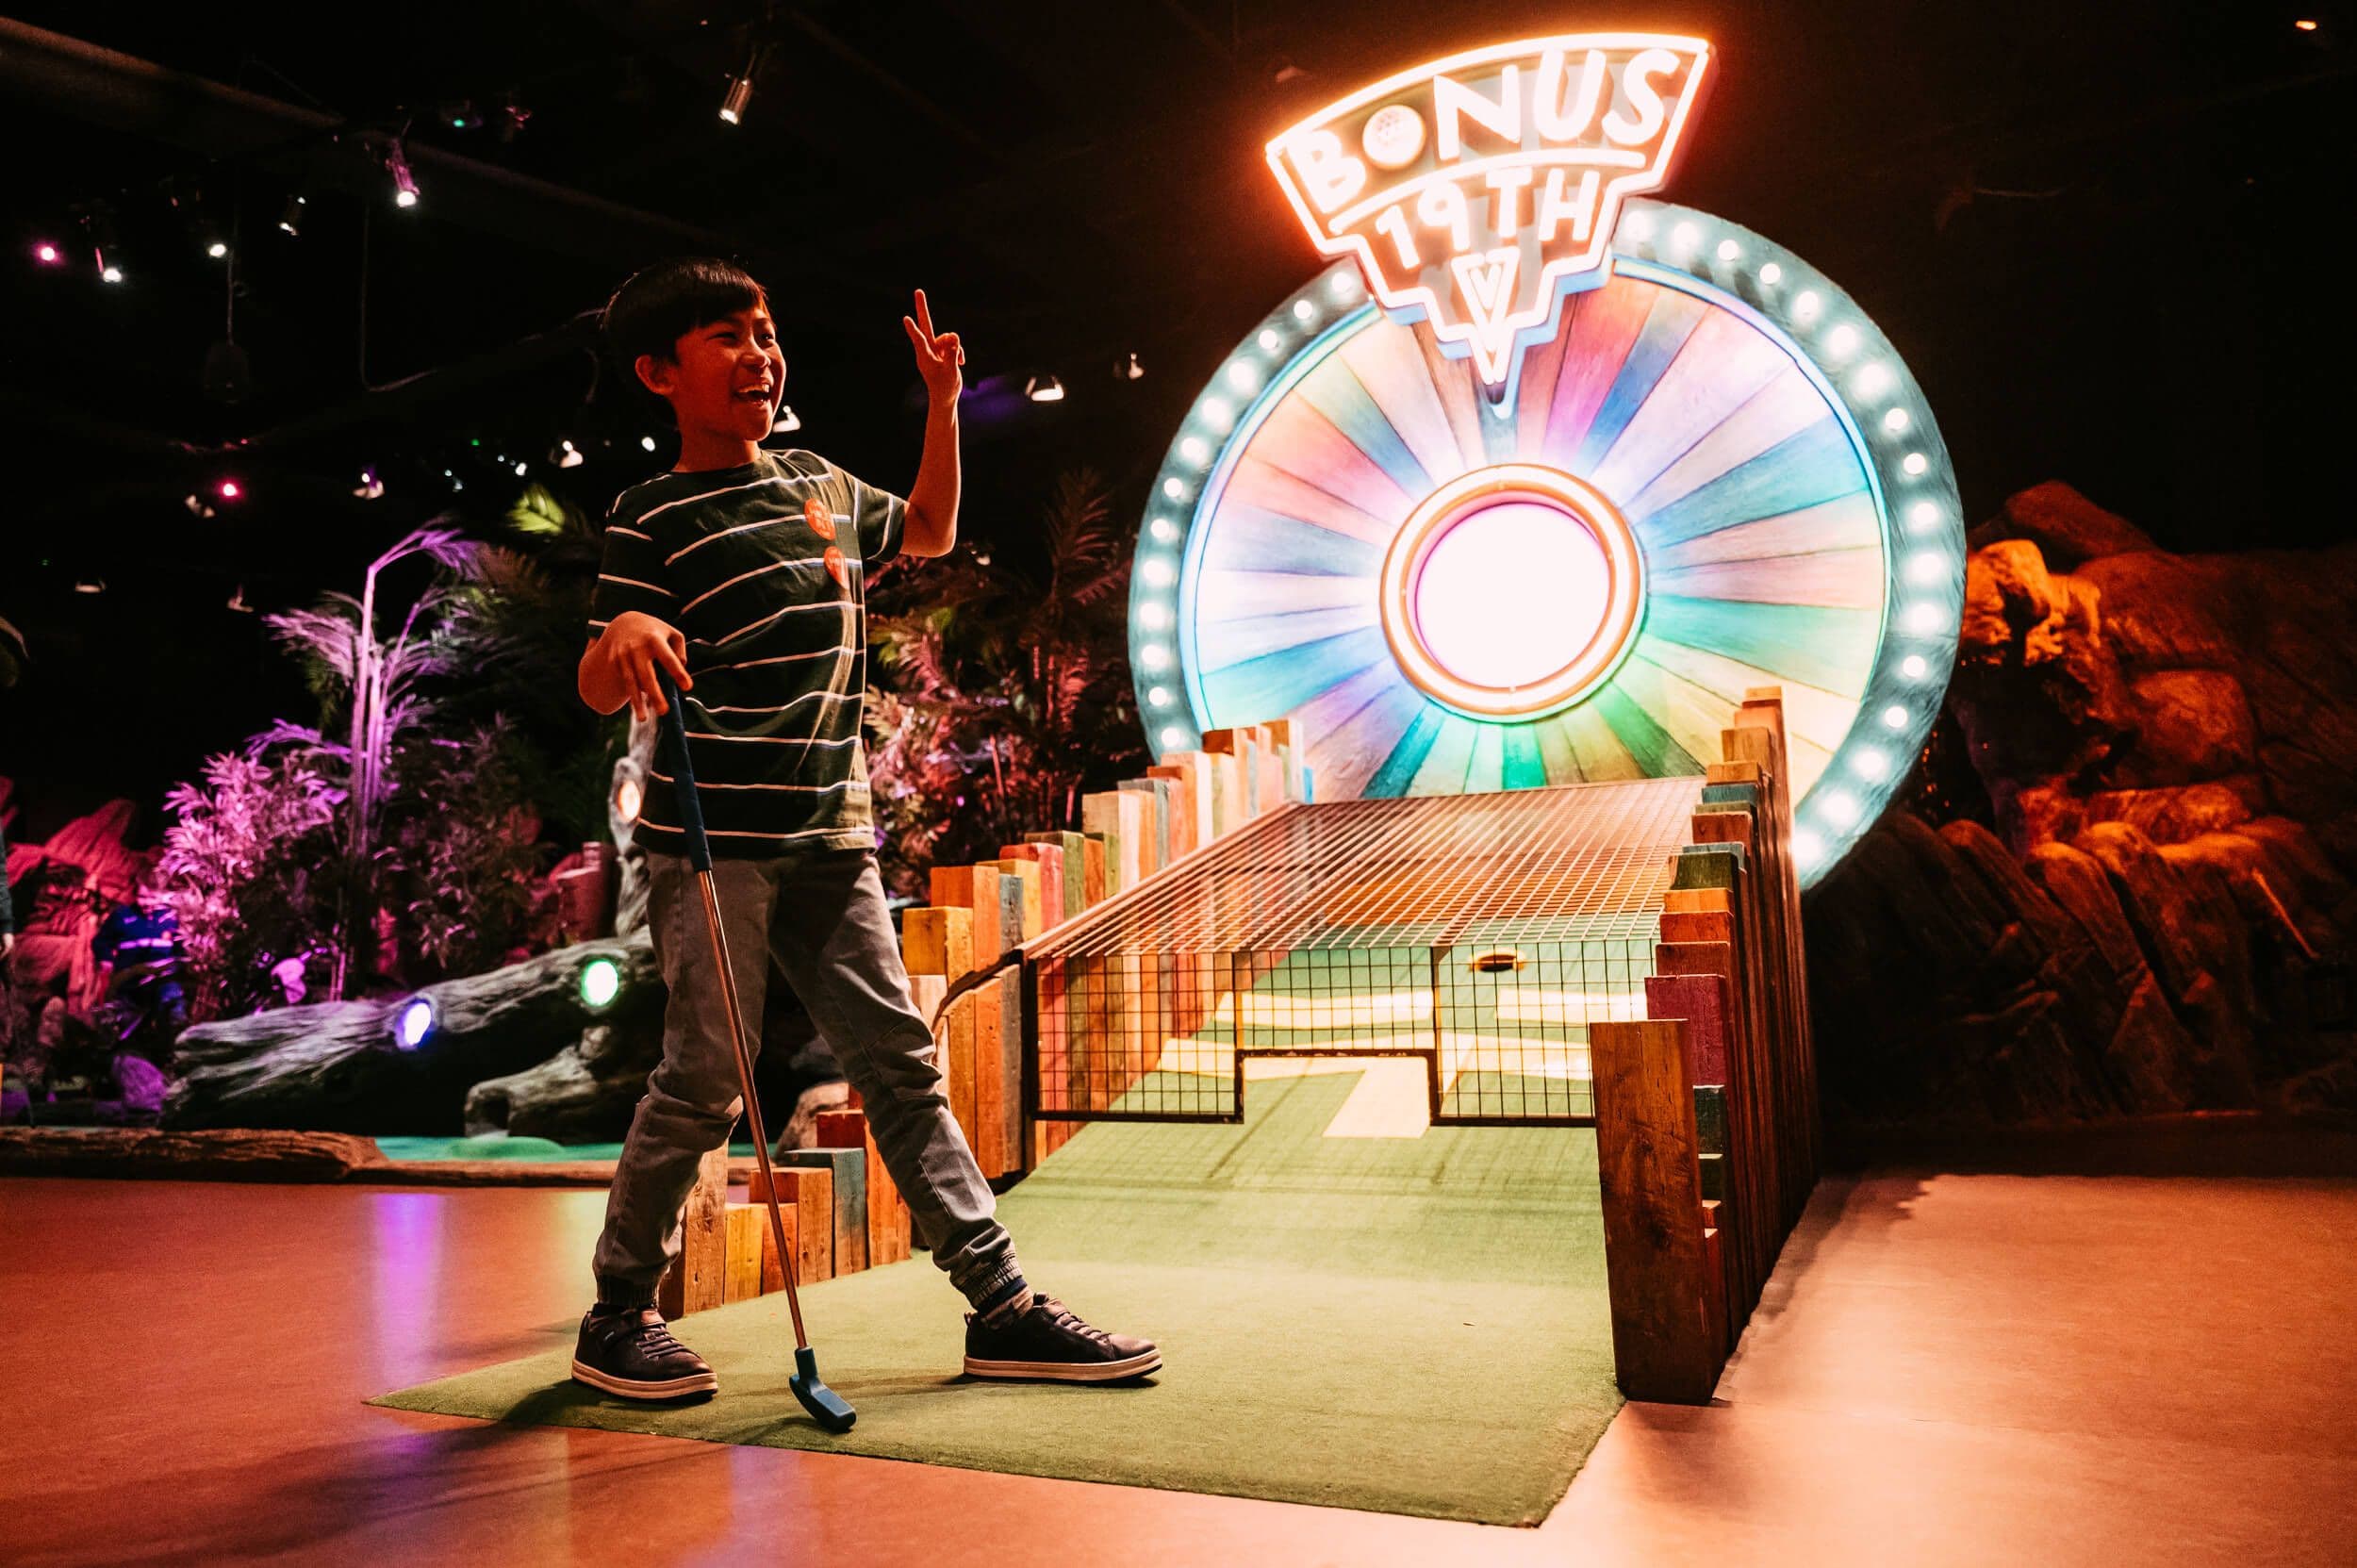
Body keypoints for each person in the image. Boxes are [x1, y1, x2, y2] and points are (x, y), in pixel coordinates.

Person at [569, 258, 1157, 1400]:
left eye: (764, 329)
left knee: (897, 1062)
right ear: (658, 372)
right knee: (701, 1080)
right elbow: (598, 681)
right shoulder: (649, 515)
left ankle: (1003, 1307)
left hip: (834, 837)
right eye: (724, 337)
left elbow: (930, 529)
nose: (756, 352)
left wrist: (941, 406)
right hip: (711, 843)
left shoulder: (818, 485)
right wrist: (630, 622)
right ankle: (615, 1317)